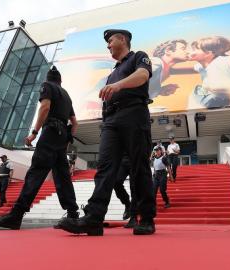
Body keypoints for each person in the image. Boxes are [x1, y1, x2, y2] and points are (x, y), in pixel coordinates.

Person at [59, 29, 156, 236]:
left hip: (134, 114)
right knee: (104, 168)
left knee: (139, 166)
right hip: (111, 121)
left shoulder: (139, 57)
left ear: (122, 39)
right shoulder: (112, 72)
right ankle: (94, 218)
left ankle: (146, 218)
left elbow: (142, 75)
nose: (108, 45)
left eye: (110, 40)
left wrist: (118, 85)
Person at [0, 66, 79, 230]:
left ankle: (16, 215)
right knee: (63, 177)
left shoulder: (47, 86)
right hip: (62, 137)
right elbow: (75, 123)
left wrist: (34, 133)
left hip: (50, 132)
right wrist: (67, 139)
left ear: (48, 78)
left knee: (36, 172)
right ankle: (72, 215)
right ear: (60, 81)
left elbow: (45, 107)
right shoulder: (66, 95)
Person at [113, 153, 137, 228]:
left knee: (134, 188)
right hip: (122, 159)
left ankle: (133, 217)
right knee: (116, 182)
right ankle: (127, 204)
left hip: (135, 159)